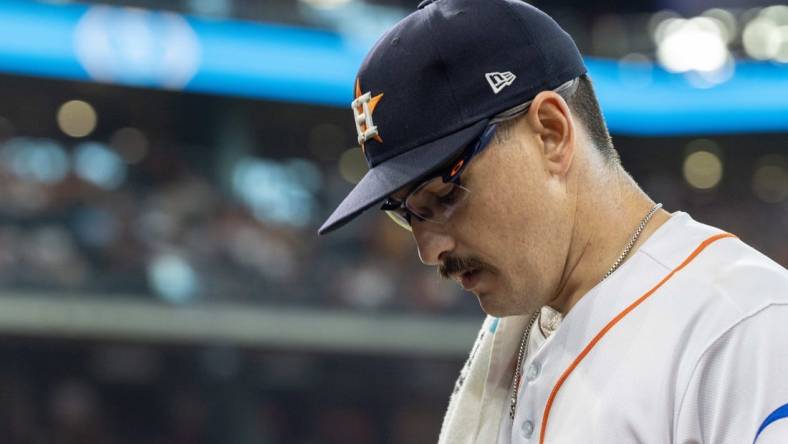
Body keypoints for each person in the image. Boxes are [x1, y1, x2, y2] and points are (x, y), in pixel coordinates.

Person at [317, 0, 788, 442]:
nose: (428, 250)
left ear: (551, 132)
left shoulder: (746, 329)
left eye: (444, 195)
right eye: (408, 214)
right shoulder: (519, 331)